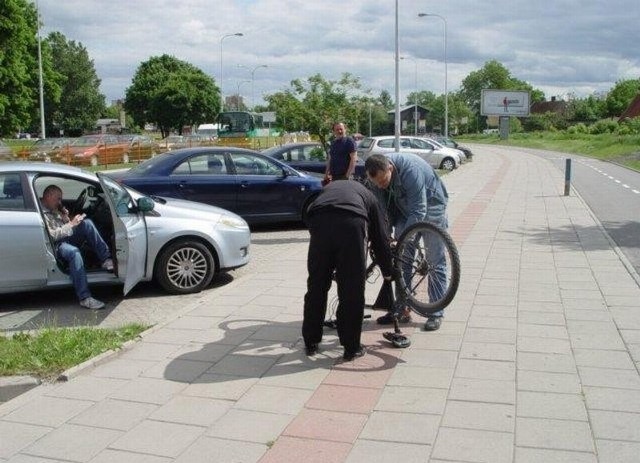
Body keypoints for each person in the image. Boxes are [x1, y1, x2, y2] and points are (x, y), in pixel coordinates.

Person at [303, 179, 394, 361]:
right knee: (352, 289)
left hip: (319, 221)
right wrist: (388, 271)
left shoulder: (328, 188)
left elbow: (307, 209)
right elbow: (380, 239)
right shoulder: (370, 197)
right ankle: (351, 348)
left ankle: (311, 342)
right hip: (351, 224)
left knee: (316, 285)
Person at [364, 152, 449, 331]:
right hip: (404, 208)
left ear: (390, 168)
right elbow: (382, 211)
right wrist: (385, 237)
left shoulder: (411, 170)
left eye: (384, 181)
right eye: (377, 183)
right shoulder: (376, 178)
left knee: (435, 260)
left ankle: (436, 312)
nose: (381, 185)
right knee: (401, 262)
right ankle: (402, 308)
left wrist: (402, 240)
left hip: (431, 206)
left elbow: (419, 209)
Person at [41, 184, 114, 310]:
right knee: (74, 253)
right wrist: (71, 225)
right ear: (48, 196)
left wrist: (66, 218)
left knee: (87, 224)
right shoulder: (41, 211)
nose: (60, 202)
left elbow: (61, 227)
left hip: (64, 237)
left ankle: (106, 259)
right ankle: (85, 298)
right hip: (56, 245)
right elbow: (51, 236)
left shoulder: (52, 207)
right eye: (57, 199)